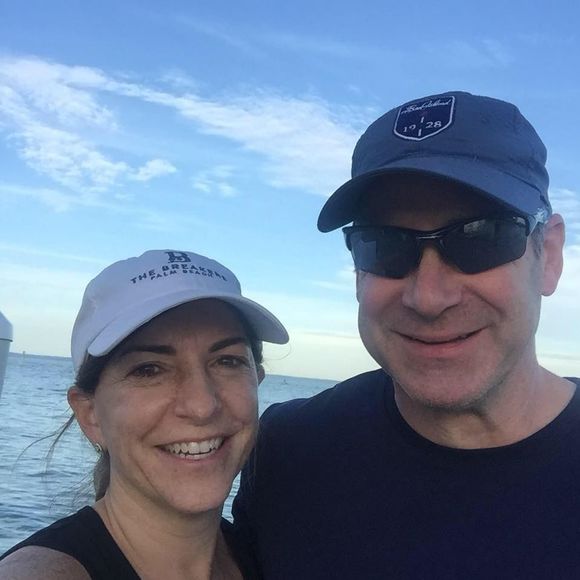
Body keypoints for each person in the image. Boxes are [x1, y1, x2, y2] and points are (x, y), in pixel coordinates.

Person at [232, 91, 580, 579]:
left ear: (550, 256)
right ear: (358, 272)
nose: (428, 297)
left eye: (480, 238)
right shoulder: (287, 451)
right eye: (384, 245)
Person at [0, 249, 288, 580]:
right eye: (149, 369)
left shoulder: (276, 555)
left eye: (227, 361)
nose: (201, 405)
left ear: (256, 382)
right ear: (90, 414)